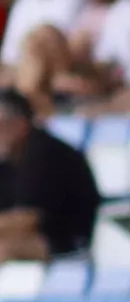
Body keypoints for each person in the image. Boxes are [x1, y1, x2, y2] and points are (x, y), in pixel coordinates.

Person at [0, 92, 96, 260]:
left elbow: (28, 220)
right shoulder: (9, 160)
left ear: (20, 124)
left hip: (67, 240)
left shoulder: (48, 156)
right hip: (31, 236)